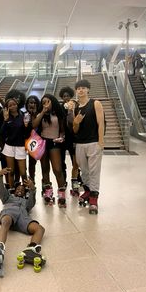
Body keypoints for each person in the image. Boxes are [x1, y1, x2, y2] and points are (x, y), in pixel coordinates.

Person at [0, 167, 46, 278]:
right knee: (6, 222)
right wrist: (0, 176)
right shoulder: (8, 198)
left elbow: (32, 202)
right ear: (14, 191)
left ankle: (31, 250)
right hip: (10, 213)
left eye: (23, 190)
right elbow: (1, 190)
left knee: (40, 229)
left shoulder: (26, 202)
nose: (20, 190)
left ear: (25, 193)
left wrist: (33, 188)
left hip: (23, 217)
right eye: (18, 189)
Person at [73, 79, 105, 214]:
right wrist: (76, 122)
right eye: (78, 88)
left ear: (88, 89)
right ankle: (87, 191)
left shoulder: (95, 103)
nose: (80, 90)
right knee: (84, 171)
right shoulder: (75, 107)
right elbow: (74, 130)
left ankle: (94, 198)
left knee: (94, 171)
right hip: (80, 143)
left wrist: (101, 142)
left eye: (83, 88)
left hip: (93, 143)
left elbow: (101, 123)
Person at [32, 94, 66, 207]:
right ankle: (48, 193)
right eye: (43, 102)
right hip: (43, 142)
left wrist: (62, 137)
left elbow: (62, 129)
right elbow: (34, 125)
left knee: (57, 169)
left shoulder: (58, 113)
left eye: (47, 101)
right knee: (45, 168)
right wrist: (42, 111)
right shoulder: (41, 113)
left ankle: (61, 194)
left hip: (55, 142)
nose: (45, 104)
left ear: (52, 101)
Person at [0, 98, 32, 188]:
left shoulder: (23, 116)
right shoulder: (7, 117)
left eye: (14, 104)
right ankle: (11, 190)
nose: (13, 106)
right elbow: (2, 133)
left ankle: (26, 189)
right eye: (10, 105)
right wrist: (5, 120)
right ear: (7, 108)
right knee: (11, 171)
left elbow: (27, 133)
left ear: (17, 104)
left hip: (20, 146)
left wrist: (26, 126)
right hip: (9, 147)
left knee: (23, 172)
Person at [59, 86, 82, 195]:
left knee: (76, 164)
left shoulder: (75, 107)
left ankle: (76, 184)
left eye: (68, 96)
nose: (66, 98)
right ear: (62, 97)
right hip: (63, 139)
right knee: (61, 162)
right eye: (64, 96)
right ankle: (63, 183)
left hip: (74, 138)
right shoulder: (60, 107)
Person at [25, 95, 40, 183]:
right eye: (31, 102)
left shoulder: (39, 115)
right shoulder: (24, 114)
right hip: (24, 141)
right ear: (27, 104)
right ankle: (26, 181)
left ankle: (32, 180)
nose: (33, 104)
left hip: (35, 142)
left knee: (32, 163)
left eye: (35, 103)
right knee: (23, 163)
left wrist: (34, 115)